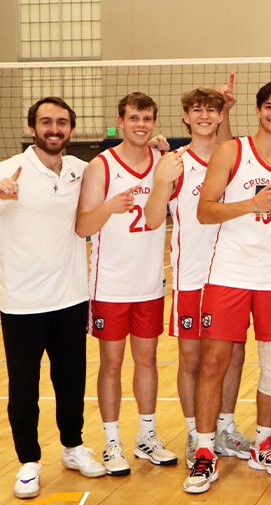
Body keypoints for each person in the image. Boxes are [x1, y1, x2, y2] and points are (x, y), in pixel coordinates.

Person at [184, 81, 271, 494]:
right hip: (229, 273)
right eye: (269, 107)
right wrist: (251, 205)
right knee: (214, 363)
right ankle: (204, 452)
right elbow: (204, 211)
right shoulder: (231, 151)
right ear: (258, 110)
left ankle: (263, 442)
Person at [0, 97, 106, 498]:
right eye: (46, 122)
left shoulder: (83, 170)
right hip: (21, 302)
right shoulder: (9, 170)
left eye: (62, 122)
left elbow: (126, 164)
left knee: (70, 380)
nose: (54, 129)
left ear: (72, 130)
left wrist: (159, 145)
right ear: (32, 128)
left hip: (70, 297)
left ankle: (73, 446)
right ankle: (28, 461)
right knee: (23, 386)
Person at [144, 84, 250, 467]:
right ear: (186, 117)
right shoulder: (174, 163)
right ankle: (194, 433)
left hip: (232, 275)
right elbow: (153, 219)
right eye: (197, 110)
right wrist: (160, 182)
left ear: (221, 116)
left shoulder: (236, 160)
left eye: (212, 110)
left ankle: (224, 427)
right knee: (190, 359)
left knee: (233, 356)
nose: (205, 116)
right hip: (190, 278)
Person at [76, 92, 174, 476]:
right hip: (110, 285)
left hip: (149, 284)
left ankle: (146, 437)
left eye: (147, 118)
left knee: (148, 361)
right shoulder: (101, 166)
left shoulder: (162, 163)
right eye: (134, 118)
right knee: (112, 364)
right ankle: (111, 441)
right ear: (121, 120)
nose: (141, 125)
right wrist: (108, 208)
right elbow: (83, 226)